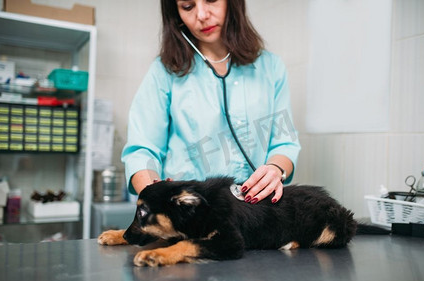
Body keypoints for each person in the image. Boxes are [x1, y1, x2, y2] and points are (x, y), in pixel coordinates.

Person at [122, 0, 301, 204]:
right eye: (188, 7)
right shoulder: (164, 72)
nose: (201, 15)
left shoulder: (271, 67)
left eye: (211, 0)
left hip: (254, 215)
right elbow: (142, 150)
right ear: (176, 15)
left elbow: (284, 143)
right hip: (190, 217)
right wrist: (157, 198)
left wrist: (275, 170)